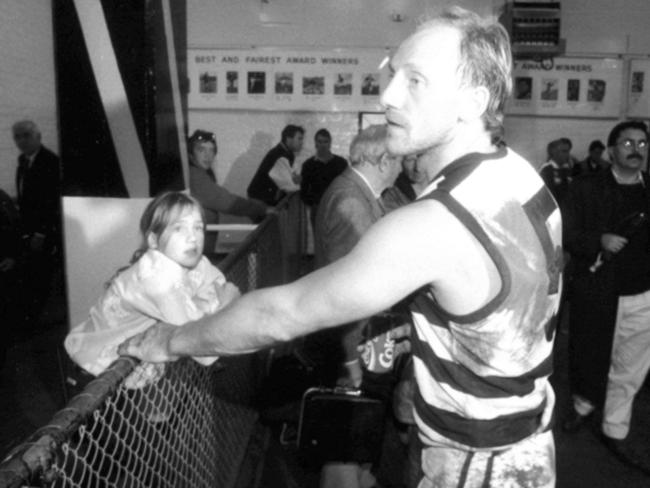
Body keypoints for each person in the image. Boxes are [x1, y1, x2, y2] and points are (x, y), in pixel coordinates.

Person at [120, 7, 562, 487]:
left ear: (472, 101)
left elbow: (281, 314)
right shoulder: (518, 175)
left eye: (415, 81)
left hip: (473, 465)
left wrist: (168, 340)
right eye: (392, 74)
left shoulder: (436, 223)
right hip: (526, 444)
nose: (387, 94)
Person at [65, 192, 239, 387]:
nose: (193, 238)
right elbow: (202, 346)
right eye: (179, 228)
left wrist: (203, 308)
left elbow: (218, 282)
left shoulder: (193, 260)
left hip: (129, 369)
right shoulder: (156, 279)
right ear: (154, 241)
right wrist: (222, 305)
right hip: (93, 371)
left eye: (198, 227)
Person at [309, 124, 402, 488]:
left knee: (360, 430)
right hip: (354, 339)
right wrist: (350, 360)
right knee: (345, 434)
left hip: (366, 336)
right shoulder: (351, 200)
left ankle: (361, 476)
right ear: (382, 160)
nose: (402, 166)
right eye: (398, 159)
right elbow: (352, 291)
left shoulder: (367, 194)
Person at [562, 120, 650, 473]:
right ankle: (583, 406)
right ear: (612, 150)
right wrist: (598, 240)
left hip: (643, 294)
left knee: (631, 365)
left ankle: (615, 427)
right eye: (628, 143)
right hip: (597, 292)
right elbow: (566, 232)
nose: (636, 150)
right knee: (589, 354)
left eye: (642, 144)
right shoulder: (585, 187)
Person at [12, 120, 62, 325]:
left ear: (38, 137)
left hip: (44, 232)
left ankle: (35, 322)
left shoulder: (51, 162)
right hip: (28, 230)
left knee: (41, 273)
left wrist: (41, 233)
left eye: (26, 135)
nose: (21, 140)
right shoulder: (22, 161)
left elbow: (52, 201)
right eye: (17, 137)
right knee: (30, 273)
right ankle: (29, 317)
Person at [187, 130, 269, 254]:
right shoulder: (195, 175)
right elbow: (225, 201)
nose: (208, 155)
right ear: (190, 154)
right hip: (196, 249)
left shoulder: (201, 173)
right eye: (201, 150)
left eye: (211, 150)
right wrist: (261, 209)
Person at [299, 128, 348, 227]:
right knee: (318, 239)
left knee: (337, 238)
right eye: (320, 141)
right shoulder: (308, 165)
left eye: (325, 141)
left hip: (337, 208)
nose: (323, 145)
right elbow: (304, 191)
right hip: (317, 209)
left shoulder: (341, 163)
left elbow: (347, 187)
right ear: (315, 144)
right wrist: (314, 203)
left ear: (330, 143)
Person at [247, 124, 304, 205]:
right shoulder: (279, 156)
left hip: (263, 199)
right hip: (259, 201)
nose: (302, 142)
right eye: (299, 139)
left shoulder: (285, 153)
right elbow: (290, 187)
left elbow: (291, 178)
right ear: (288, 138)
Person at [539, 137, 573, 207]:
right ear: (555, 153)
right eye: (564, 151)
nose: (567, 155)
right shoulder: (546, 170)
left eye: (568, 151)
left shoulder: (567, 169)